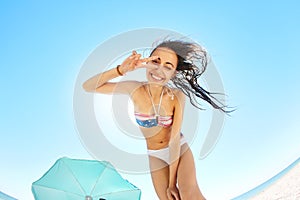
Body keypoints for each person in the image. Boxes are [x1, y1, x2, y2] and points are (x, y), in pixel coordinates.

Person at [83, 39, 228, 200]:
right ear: (146, 63)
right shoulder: (134, 89)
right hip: (155, 154)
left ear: (174, 73)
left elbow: (173, 139)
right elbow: (88, 86)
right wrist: (121, 70)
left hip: (178, 148)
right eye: (155, 61)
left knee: (188, 193)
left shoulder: (176, 96)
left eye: (168, 66)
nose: (159, 69)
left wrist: (172, 183)